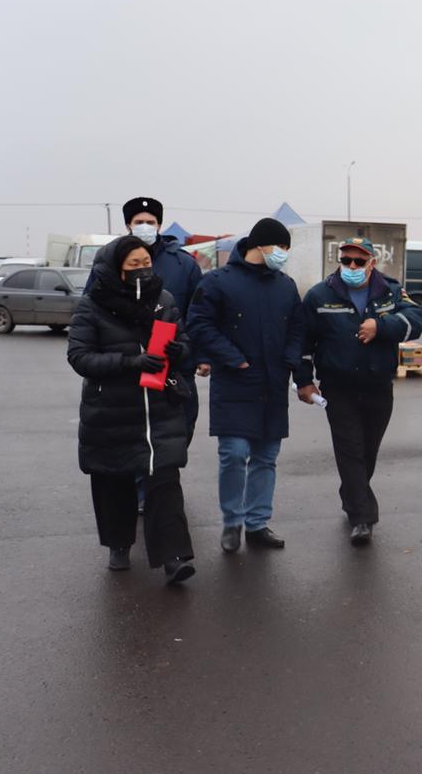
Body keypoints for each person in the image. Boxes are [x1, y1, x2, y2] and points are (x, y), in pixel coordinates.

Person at [67, 236, 196, 584]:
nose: (142, 271)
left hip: (158, 410)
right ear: (114, 269)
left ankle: (173, 557)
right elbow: (79, 357)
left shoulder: (164, 301)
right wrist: (130, 362)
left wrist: (176, 350)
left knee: (165, 480)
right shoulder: (92, 305)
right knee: (114, 480)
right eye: (133, 265)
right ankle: (119, 544)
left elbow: (185, 345)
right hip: (110, 410)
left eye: (146, 264)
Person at [295, 238, 422, 545]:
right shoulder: (319, 295)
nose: (351, 266)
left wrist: (382, 327)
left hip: (379, 386)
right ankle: (362, 518)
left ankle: (351, 494)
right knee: (350, 450)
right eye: (346, 260)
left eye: (358, 261)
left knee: (367, 451)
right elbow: (302, 341)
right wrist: (303, 380)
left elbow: (415, 321)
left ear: (372, 263)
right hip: (339, 388)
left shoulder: (390, 291)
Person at [187, 218, 304, 553]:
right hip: (235, 382)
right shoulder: (218, 282)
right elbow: (198, 323)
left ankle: (257, 523)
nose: (283, 254)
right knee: (234, 455)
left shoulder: (284, 285)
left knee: (266, 457)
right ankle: (232, 521)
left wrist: (290, 361)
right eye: (281, 248)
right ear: (260, 245)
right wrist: (232, 357)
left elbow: (297, 328)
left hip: (273, 383)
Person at [86, 197, 205, 512]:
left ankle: (159, 479)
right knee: (134, 431)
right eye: (139, 221)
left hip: (174, 369)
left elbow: (200, 312)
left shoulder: (184, 264)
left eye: (151, 221)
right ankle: (144, 491)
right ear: (128, 225)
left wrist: (193, 353)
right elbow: (92, 306)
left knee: (179, 429)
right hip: (128, 370)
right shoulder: (108, 260)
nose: (145, 227)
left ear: (160, 225)